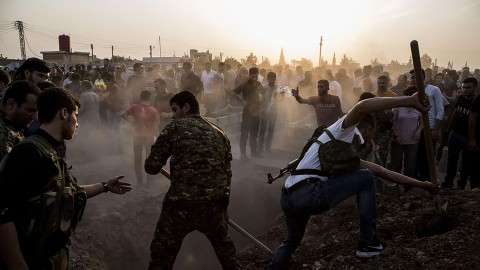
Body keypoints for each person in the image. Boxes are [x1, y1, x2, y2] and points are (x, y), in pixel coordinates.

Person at [268, 92, 432, 270]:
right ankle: (368, 244)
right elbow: (362, 107)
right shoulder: (343, 129)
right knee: (366, 179)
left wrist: (423, 185)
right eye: (368, 132)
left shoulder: (338, 151)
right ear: (363, 125)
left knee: (292, 241)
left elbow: (384, 172)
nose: (367, 139)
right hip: (309, 193)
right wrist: (409, 100)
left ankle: (274, 265)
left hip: (288, 196)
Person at [0, 88, 132, 270]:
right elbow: (4, 212)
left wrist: (105, 186)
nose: (77, 124)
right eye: (75, 115)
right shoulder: (29, 152)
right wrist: (18, 265)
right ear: (63, 113)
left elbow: (69, 191)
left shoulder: (51, 150)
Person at [144, 91, 240, 270]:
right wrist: (222, 210)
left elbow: (151, 167)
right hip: (214, 205)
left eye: (174, 109)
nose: (173, 115)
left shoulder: (174, 127)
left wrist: (155, 150)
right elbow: (227, 175)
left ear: (186, 107)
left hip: (181, 205)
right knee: (228, 257)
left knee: (161, 257)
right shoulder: (220, 133)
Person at [442, 77, 478, 189]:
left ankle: (461, 184)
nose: (465, 90)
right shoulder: (459, 99)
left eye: (468, 87)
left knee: (466, 163)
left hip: (468, 137)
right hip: (455, 134)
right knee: (452, 160)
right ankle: (448, 182)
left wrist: (472, 139)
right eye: (463, 87)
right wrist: (447, 130)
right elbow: (452, 113)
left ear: (475, 88)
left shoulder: (476, 102)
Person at [410, 69, 445, 181]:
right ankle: (417, 179)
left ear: (423, 77)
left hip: (429, 127)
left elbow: (440, 110)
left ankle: (429, 179)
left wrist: (435, 129)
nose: (413, 80)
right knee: (415, 155)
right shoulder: (412, 91)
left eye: (416, 77)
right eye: (412, 77)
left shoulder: (434, 90)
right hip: (414, 128)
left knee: (428, 155)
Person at [123, 90, 159, 186]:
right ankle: (149, 181)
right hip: (149, 137)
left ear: (140, 97)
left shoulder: (134, 107)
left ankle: (140, 181)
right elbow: (156, 126)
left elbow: (123, 115)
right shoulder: (153, 110)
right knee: (149, 159)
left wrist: (132, 123)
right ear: (150, 98)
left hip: (137, 136)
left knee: (138, 159)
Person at [0, 81, 40, 160]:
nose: (35, 117)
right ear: (10, 105)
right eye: (30, 110)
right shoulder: (3, 137)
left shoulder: (15, 129)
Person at [390, 86, 422, 178]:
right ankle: (395, 185)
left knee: (410, 165)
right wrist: (396, 134)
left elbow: (422, 121)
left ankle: (408, 186)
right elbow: (393, 121)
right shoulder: (399, 106)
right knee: (396, 164)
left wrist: (419, 131)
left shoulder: (419, 107)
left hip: (413, 140)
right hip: (398, 139)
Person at [234, 67, 265, 159]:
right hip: (247, 112)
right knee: (245, 133)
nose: (255, 76)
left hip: (257, 112)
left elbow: (264, 94)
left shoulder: (259, 84)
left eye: (256, 74)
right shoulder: (244, 85)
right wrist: (241, 101)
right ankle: (243, 154)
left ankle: (254, 152)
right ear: (250, 75)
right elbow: (233, 93)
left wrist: (262, 103)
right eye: (253, 74)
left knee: (254, 134)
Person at [259, 72, 279, 153]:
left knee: (271, 130)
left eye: (273, 78)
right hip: (264, 112)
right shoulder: (264, 88)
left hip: (274, 112)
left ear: (275, 79)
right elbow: (260, 99)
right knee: (263, 131)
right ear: (267, 79)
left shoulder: (277, 88)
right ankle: (260, 148)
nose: (272, 80)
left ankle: (267, 147)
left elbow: (280, 100)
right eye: (270, 78)